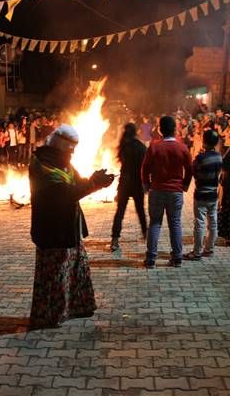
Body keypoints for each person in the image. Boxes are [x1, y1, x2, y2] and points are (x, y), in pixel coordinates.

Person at [28, 125, 114, 329]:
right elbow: (66, 194)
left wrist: (95, 180)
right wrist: (93, 184)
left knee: (77, 267)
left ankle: (78, 307)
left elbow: (77, 184)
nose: (73, 152)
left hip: (70, 227)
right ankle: (50, 314)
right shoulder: (43, 165)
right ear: (60, 144)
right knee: (55, 273)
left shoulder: (63, 162)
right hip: (53, 228)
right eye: (70, 147)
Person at [141, 116, 192, 268]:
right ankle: (177, 257)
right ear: (175, 129)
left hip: (157, 190)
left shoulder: (154, 147)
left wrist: (146, 185)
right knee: (175, 223)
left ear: (160, 130)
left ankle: (151, 259)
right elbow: (190, 169)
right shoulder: (182, 147)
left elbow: (144, 168)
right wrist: (185, 185)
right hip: (175, 191)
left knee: (155, 223)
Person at [110, 123, 147, 254]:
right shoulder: (141, 147)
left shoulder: (123, 146)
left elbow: (122, 163)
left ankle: (114, 240)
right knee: (140, 210)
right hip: (137, 183)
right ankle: (146, 234)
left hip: (125, 183)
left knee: (120, 212)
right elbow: (145, 166)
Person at [189, 129, 222, 260]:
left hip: (201, 193)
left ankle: (197, 252)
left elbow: (194, 172)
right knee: (213, 222)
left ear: (204, 141)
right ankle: (209, 249)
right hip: (213, 193)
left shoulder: (200, 158)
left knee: (200, 223)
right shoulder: (219, 156)